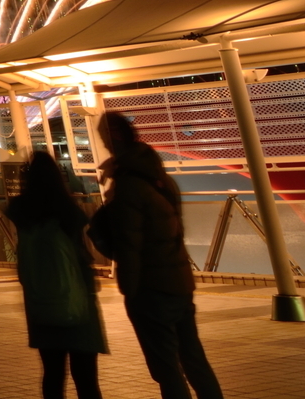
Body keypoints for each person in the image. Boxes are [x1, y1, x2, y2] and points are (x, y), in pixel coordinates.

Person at [88, 111, 223, 399]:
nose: (105, 144)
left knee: (166, 368)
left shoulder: (128, 185)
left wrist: (130, 290)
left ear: (116, 136)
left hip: (151, 289)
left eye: (104, 137)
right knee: (193, 358)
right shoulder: (161, 178)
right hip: (179, 283)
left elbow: (129, 244)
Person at [8, 151, 106, 399]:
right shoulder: (69, 213)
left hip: (41, 305)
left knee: (52, 375)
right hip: (77, 303)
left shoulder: (22, 214)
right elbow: (82, 258)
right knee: (86, 379)